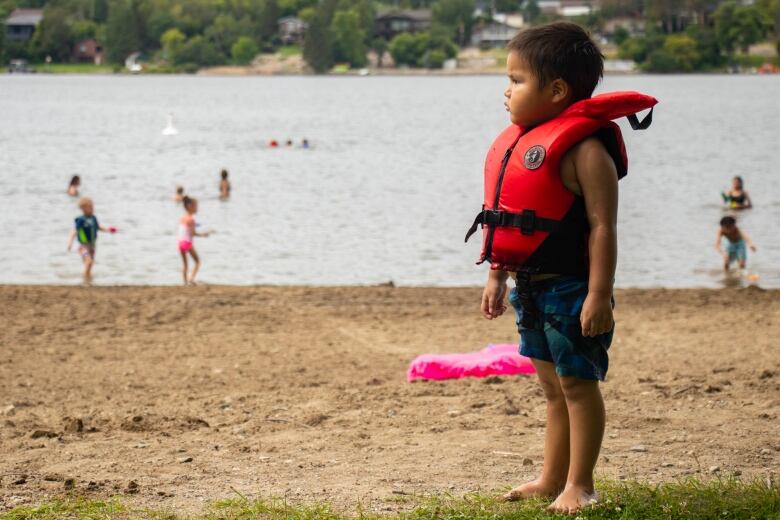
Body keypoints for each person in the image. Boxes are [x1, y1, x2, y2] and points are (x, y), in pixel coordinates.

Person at [469, 23, 656, 513]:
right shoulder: (522, 143)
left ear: (556, 91)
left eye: (516, 80)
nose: (505, 91)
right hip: (529, 286)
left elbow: (603, 229)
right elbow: (501, 217)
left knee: (577, 385)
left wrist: (598, 295)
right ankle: (552, 478)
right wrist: (496, 276)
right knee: (552, 387)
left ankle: (582, 484)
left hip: (573, 289)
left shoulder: (587, 151)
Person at [66, 197, 116, 283]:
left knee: (91, 263)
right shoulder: (81, 220)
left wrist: (108, 229)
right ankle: (85, 279)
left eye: (93, 207)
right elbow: (74, 231)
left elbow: (98, 227)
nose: (93, 209)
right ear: (83, 208)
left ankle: (88, 279)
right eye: (91, 207)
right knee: (88, 261)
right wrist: (70, 242)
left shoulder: (93, 218)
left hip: (92, 245)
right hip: (83, 246)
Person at [178, 196, 210, 285]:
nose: (197, 208)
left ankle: (184, 283)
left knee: (185, 264)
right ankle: (191, 279)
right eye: (196, 206)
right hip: (187, 243)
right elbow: (193, 233)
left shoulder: (182, 217)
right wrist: (203, 235)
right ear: (189, 206)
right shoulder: (191, 219)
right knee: (197, 261)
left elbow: (184, 230)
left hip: (180, 243)